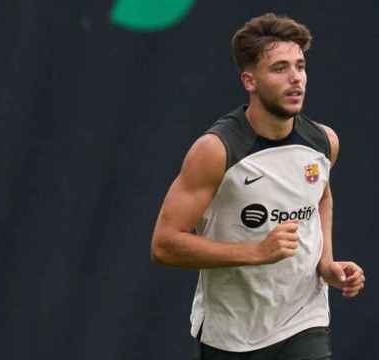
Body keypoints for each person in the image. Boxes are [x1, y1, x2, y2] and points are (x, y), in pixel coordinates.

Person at [151, 13, 365, 360]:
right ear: (249, 80)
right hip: (231, 334)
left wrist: (325, 263)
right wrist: (255, 253)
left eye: (300, 66)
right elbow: (165, 244)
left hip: (303, 321)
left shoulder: (323, 142)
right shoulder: (216, 150)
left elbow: (320, 196)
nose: (296, 79)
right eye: (280, 68)